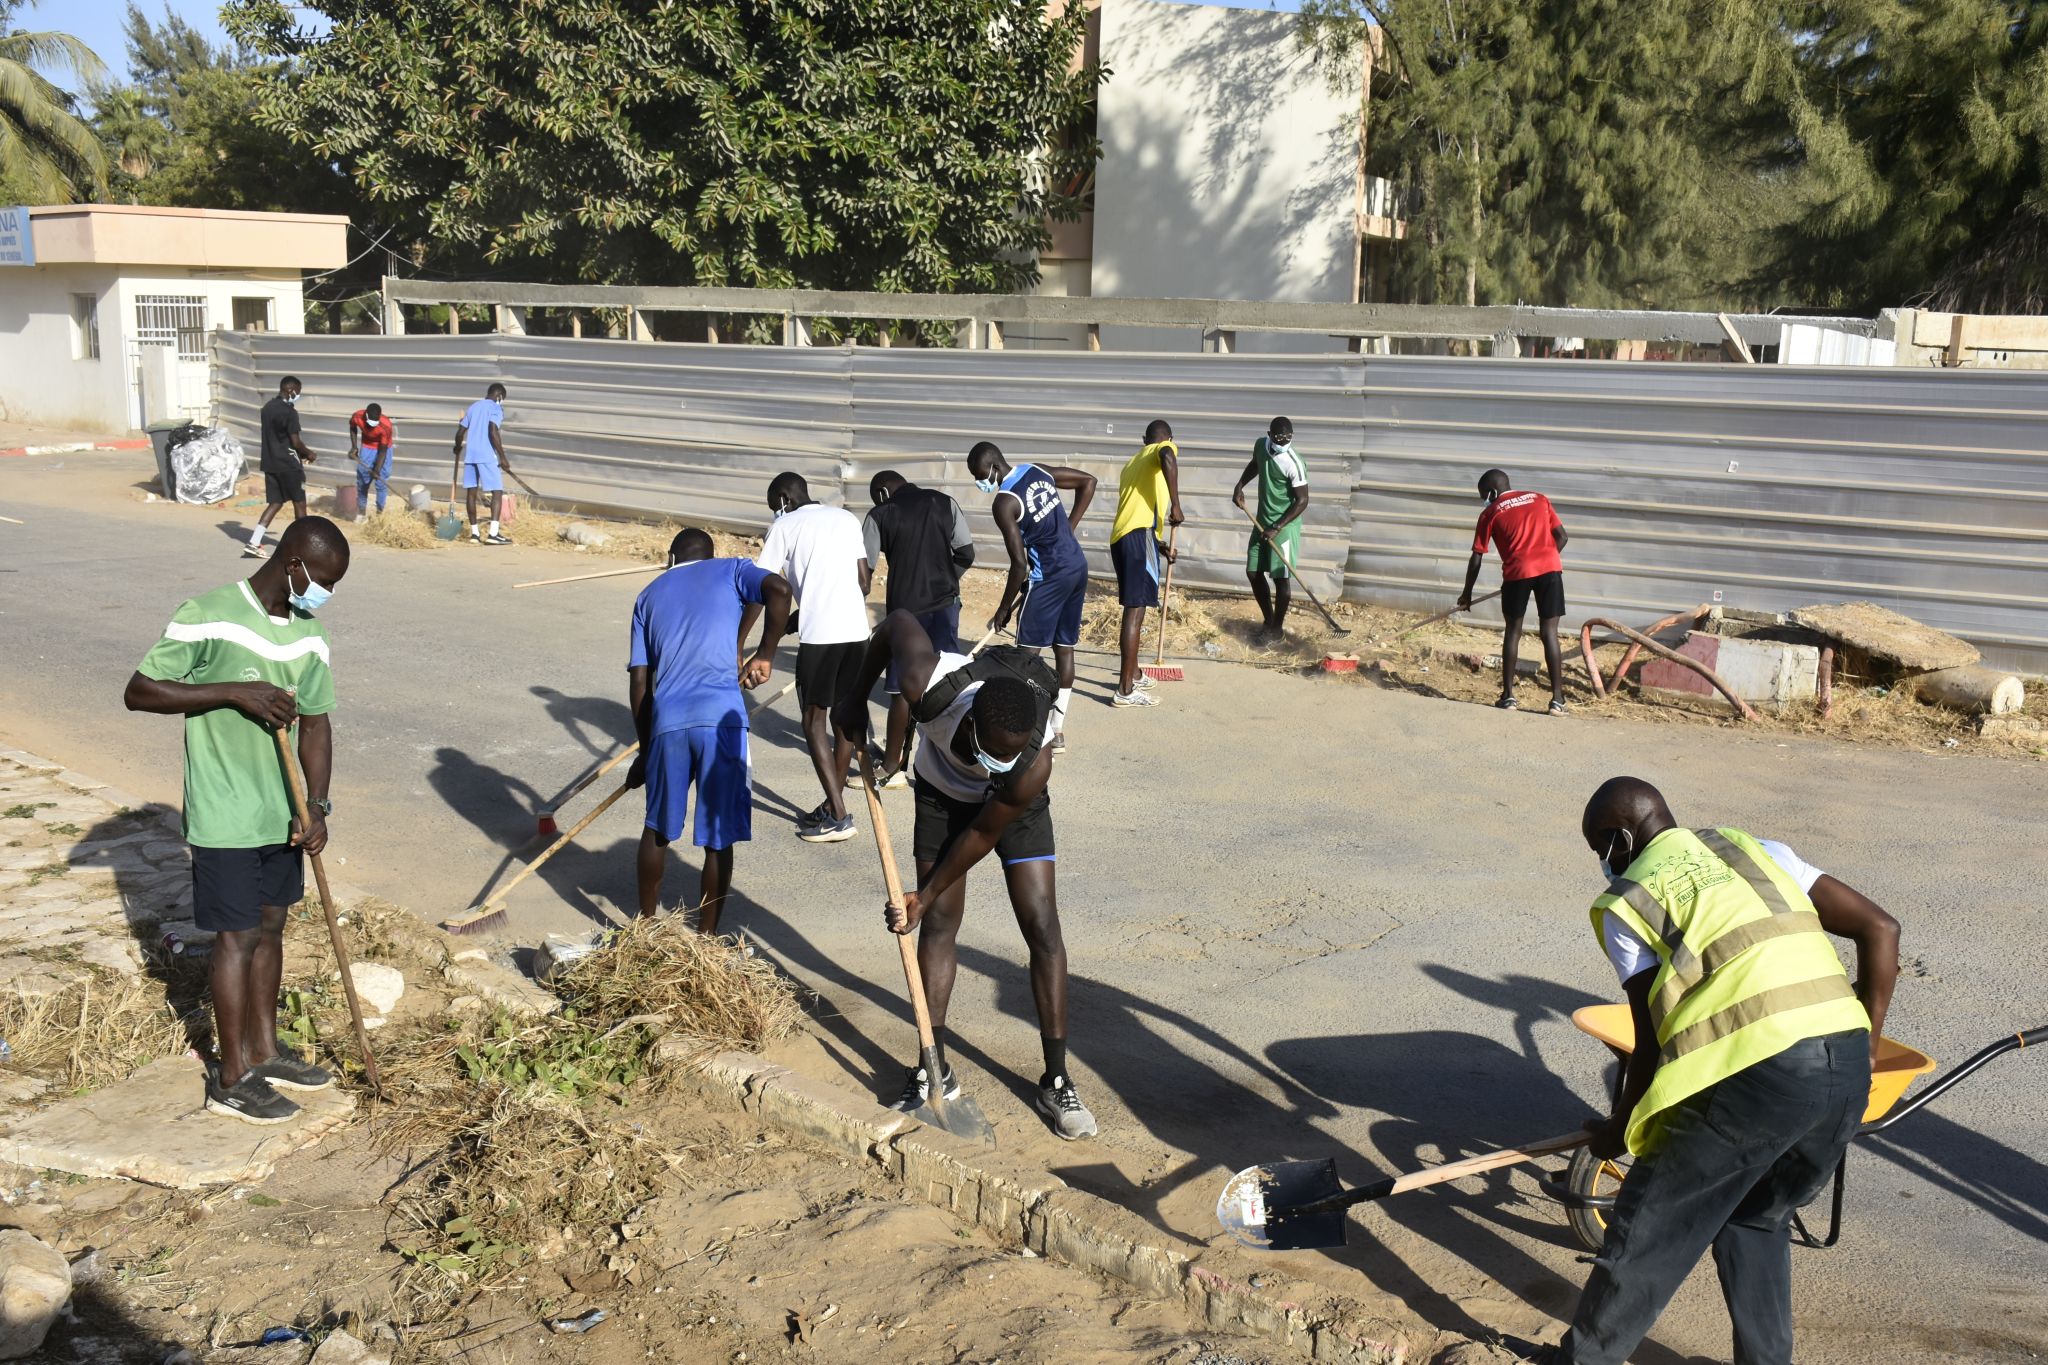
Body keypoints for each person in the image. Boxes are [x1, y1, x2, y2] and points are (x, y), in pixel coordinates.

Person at [1540, 776, 1901, 1365]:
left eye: (1599, 850)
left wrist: (1619, 1129)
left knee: (1649, 1229)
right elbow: (1881, 928)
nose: (1603, 865)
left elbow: (1648, 1040)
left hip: (1756, 1075)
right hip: (1843, 1068)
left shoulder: (1626, 902)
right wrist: (1866, 1043)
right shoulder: (1756, 849)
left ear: (1619, 838)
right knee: (1757, 1217)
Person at [832, 610, 1097, 1140]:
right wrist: (852, 697)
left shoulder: (1030, 763)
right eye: (992, 751)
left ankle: (1057, 1077)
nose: (998, 761)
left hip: (1013, 812)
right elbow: (896, 624)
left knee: (1043, 929)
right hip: (940, 795)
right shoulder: (927, 686)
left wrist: (923, 893)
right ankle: (936, 1068)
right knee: (939, 928)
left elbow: (982, 835)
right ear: (972, 719)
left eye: (1010, 754)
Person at [123, 517, 351, 1124]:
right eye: (322, 580)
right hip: (225, 809)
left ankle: (265, 1051)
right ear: (294, 562)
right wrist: (231, 692)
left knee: (271, 930)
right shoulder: (209, 613)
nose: (324, 593)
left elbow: (318, 723)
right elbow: (141, 690)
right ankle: (231, 1076)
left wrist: (318, 805)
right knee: (237, 937)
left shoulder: (311, 636)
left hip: (284, 814)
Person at [625, 529, 792, 930]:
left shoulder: (647, 596)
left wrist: (646, 751)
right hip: (722, 721)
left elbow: (639, 684)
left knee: (657, 829)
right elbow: (781, 590)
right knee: (719, 837)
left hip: (668, 722)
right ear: (710, 554)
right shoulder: (733, 570)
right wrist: (766, 654)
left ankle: (645, 930)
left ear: (670, 558)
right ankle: (707, 938)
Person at [754, 472, 872, 843]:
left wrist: (763, 650)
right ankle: (830, 803)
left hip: (821, 638)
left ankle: (838, 815)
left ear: (786, 497)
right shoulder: (845, 518)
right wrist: (800, 617)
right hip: (857, 632)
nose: (777, 512)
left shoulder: (785, 526)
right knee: (842, 722)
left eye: (776, 505)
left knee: (812, 721)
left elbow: (770, 587)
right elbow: (864, 582)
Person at [966, 441, 1097, 754]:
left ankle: (1029, 735)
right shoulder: (1037, 470)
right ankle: (1057, 730)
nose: (979, 482)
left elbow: (1020, 564)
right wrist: (1068, 529)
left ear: (994, 467)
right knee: (1064, 649)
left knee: (1024, 660)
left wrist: (1002, 611)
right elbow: (1088, 482)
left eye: (980, 474)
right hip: (1076, 566)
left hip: (1049, 577)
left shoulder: (1005, 502)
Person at [862, 470, 975, 784]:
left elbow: (864, 572)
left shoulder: (879, 514)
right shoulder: (945, 502)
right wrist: (946, 582)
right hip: (946, 606)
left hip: (906, 614)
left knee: (902, 689)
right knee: (950, 683)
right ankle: (955, 761)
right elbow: (967, 552)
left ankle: (892, 767)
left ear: (882, 492)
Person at [1458, 468, 1569, 714]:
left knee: (1513, 632)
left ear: (1492, 492)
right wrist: (1545, 562)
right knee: (1550, 633)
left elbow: (1476, 557)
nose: (1484, 500)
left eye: (1483, 495)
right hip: (1550, 570)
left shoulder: (1489, 512)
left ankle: (1508, 697)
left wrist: (1467, 595)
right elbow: (1562, 536)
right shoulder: (1539, 498)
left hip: (1517, 574)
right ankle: (1558, 701)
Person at [1107, 420, 1183, 706]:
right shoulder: (1162, 449)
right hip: (1138, 536)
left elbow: (1138, 507)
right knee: (1135, 611)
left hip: (1127, 537)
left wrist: (1159, 544)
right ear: (1169, 439)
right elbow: (1168, 457)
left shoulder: (1133, 463)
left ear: (1142, 440)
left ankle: (1135, 673)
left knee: (1135, 608)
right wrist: (1176, 504)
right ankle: (1125, 689)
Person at [1232, 417, 1309, 641]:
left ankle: (1277, 628)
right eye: (1278, 437)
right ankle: (1268, 620)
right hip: (1262, 521)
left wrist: (1277, 526)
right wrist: (1240, 485)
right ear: (1269, 434)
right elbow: (1256, 463)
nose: (1283, 441)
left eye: (1288, 438)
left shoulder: (1294, 463)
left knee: (1281, 579)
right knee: (1253, 572)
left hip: (1284, 527)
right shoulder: (1261, 445)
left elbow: (1302, 501)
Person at [245, 377, 317, 559]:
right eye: (298, 391)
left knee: (276, 502)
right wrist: (308, 453)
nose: (299, 395)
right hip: (289, 465)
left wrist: (298, 452)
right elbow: (295, 441)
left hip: (270, 463)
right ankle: (303, 546)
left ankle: (254, 541)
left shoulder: (267, 408)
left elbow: (278, 438)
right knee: (299, 503)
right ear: (291, 389)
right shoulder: (290, 412)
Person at [453, 383, 513, 545]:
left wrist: (457, 447)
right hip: (486, 455)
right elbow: (493, 431)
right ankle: (494, 534)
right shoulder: (495, 408)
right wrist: (503, 457)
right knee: (497, 492)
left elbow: (460, 433)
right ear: (499, 396)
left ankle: (474, 534)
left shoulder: (473, 407)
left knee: (471, 493)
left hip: (471, 455)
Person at [348, 402, 395, 520]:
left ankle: (379, 514)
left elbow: (383, 451)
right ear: (366, 416)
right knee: (363, 480)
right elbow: (352, 427)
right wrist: (354, 447)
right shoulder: (357, 416)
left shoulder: (386, 426)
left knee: (381, 481)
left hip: (384, 449)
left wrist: (377, 470)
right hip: (368, 447)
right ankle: (361, 512)